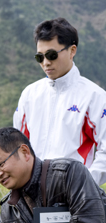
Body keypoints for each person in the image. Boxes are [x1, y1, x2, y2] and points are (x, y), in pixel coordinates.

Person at [14, 17, 106, 186]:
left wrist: (85, 184)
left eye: (52, 55)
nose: (46, 63)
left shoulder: (95, 97)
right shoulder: (29, 94)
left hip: (75, 196)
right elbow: (18, 145)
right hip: (32, 193)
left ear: (72, 51)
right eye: (39, 57)